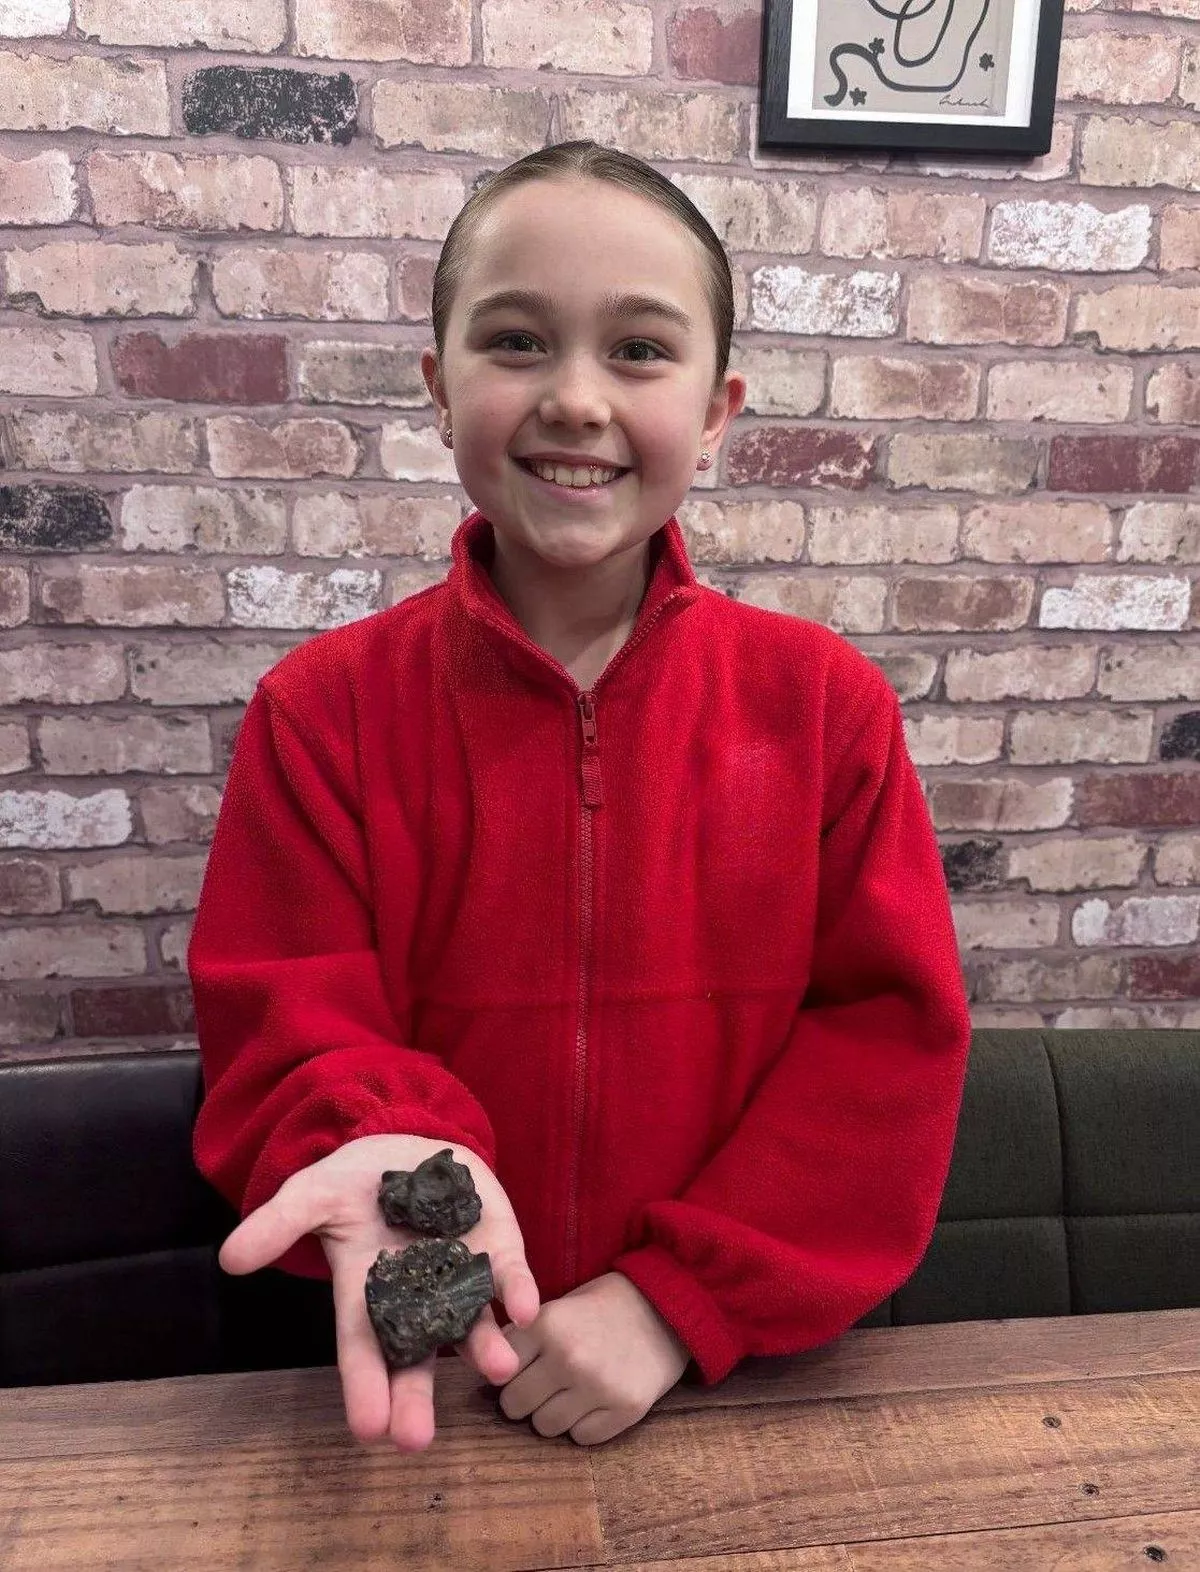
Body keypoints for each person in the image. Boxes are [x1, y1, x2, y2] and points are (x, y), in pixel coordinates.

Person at [189, 140, 972, 1453]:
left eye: (639, 351)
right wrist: (402, 1173)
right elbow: (292, 1021)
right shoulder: (321, 715)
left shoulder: (823, 711)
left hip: (737, 1385)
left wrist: (676, 1302)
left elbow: (883, 1047)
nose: (574, 400)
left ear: (718, 409)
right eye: (514, 341)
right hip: (418, 1381)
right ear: (439, 390)